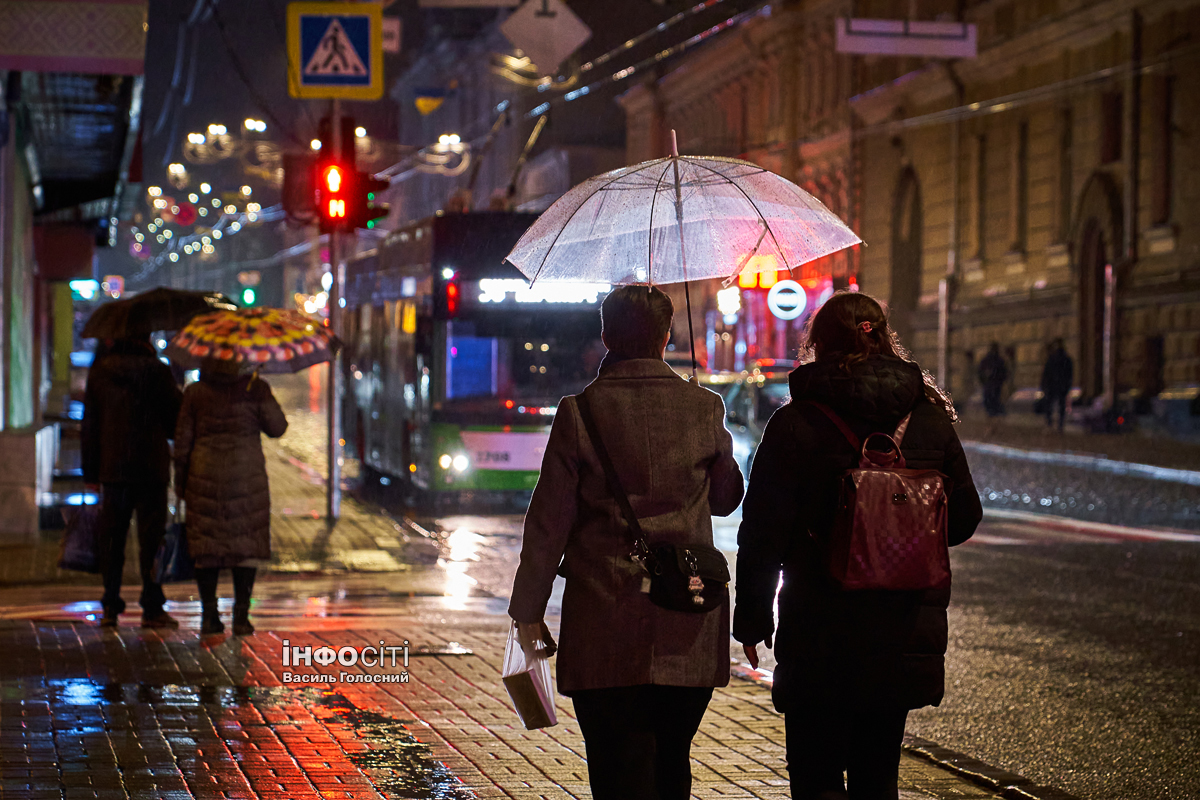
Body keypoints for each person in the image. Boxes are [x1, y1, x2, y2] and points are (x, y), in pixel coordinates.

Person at [734, 292, 982, 800]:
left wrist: (754, 619)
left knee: (815, 774)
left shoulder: (795, 423)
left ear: (818, 345)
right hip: (901, 625)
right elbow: (963, 518)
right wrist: (902, 531)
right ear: (884, 337)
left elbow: (762, 533)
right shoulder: (929, 418)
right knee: (878, 776)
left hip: (818, 626)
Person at [509, 285, 744, 800]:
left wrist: (527, 612)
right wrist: (715, 440)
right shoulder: (704, 407)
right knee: (671, 761)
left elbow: (548, 524)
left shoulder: (580, 412)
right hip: (688, 617)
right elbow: (726, 498)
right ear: (667, 336)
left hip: (604, 621)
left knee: (618, 768)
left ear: (605, 336)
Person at [174, 359, 288, 635]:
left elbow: (182, 443)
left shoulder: (195, 392)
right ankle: (241, 616)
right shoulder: (255, 388)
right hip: (245, 476)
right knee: (245, 547)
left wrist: (181, 483)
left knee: (206, 548)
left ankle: (210, 616)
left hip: (204, 476)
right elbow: (278, 427)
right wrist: (259, 389)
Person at [82, 334, 183, 629]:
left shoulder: (100, 372)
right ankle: (152, 605)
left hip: (113, 469)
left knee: (112, 540)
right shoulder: (158, 372)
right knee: (152, 541)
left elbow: (90, 425)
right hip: (151, 468)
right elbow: (175, 422)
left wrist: (91, 474)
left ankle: (111, 604)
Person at [1041, 339, 1074, 431]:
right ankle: (1057, 424)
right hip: (1058, 386)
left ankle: (1053, 423)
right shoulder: (1062, 359)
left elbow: (1046, 373)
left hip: (1055, 386)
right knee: (1057, 406)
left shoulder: (1055, 359)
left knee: (1053, 405)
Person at [977, 342, 1008, 417]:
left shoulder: (988, 361)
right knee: (994, 408)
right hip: (994, 387)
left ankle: (992, 424)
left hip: (991, 387)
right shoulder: (998, 361)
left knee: (991, 409)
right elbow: (1004, 373)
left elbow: (980, 373)